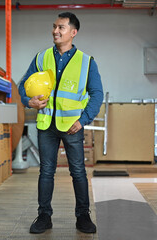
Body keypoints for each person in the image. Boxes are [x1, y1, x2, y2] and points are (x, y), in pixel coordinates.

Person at [18, 12, 103, 234]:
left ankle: (83, 217)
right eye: (54, 26)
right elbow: (22, 85)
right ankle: (44, 216)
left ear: (73, 32)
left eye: (61, 27)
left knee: (78, 172)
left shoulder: (86, 62)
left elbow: (97, 94)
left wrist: (83, 120)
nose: (56, 31)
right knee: (46, 172)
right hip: (47, 125)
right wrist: (29, 101)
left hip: (72, 126)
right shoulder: (41, 57)